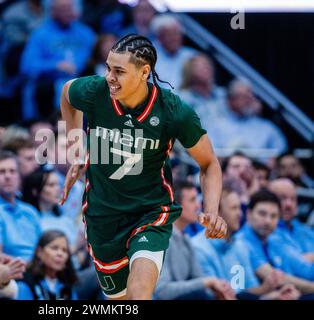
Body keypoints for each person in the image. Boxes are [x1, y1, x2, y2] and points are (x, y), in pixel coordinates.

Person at [59, 34, 227, 300]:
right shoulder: (95, 91)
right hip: (102, 216)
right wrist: (77, 146)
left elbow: (209, 163)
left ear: (144, 72)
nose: (109, 77)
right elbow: (67, 92)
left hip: (150, 213)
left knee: (140, 294)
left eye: (119, 71)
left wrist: (213, 210)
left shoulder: (173, 111)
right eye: (107, 68)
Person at [192, 187, 301, 300]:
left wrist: (275, 294)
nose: (240, 214)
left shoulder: (239, 246)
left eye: (239, 208)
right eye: (234, 208)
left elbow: (246, 291)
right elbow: (216, 296)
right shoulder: (199, 248)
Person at [154, 180, 236, 300]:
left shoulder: (186, 239)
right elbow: (162, 291)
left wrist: (218, 290)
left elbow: (200, 280)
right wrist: (206, 283)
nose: (198, 206)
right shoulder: (160, 239)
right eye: (192, 200)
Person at [236, 189, 314, 298]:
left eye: (273, 216)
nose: (268, 221)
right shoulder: (242, 242)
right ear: (248, 214)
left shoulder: (274, 240)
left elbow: (299, 270)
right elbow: (276, 278)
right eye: (262, 214)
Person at [0, 150, 42, 264]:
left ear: (19, 177)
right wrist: (32, 267)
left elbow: (43, 247)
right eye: (1, 172)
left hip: (38, 274)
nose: (8, 176)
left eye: (12, 171)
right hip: (9, 277)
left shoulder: (30, 211)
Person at [208, 78, 288, 156]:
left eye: (251, 96)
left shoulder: (266, 127)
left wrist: (275, 160)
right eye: (244, 97)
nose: (249, 100)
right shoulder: (216, 127)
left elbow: (282, 151)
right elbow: (209, 157)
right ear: (230, 101)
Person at [22, 166, 79, 248]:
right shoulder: (29, 220)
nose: (58, 189)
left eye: (58, 184)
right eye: (51, 185)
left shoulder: (66, 220)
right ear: (35, 191)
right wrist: (77, 247)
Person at [17, 230, 78, 300]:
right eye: (54, 248)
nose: (60, 254)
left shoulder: (68, 285)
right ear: (39, 252)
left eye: (64, 250)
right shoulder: (26, 282)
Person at [150, 14, 197, 91]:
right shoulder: (149, 58)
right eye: (169, 35)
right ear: (160, 38)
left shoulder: (192, 56)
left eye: (177, 34)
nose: (174, 38)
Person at [269, 179, 314, 258]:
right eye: (282, 198)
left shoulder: (305, 230)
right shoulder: (268, 232)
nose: (289, 204)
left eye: (293, 199)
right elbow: (293, 262)